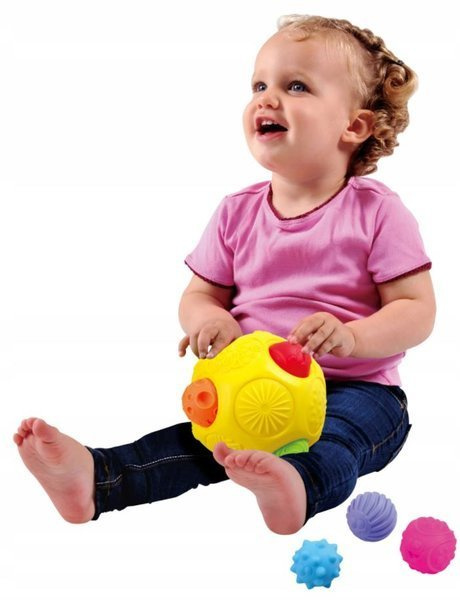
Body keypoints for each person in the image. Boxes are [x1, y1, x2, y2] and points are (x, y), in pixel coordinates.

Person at [14, 15, 436, 535]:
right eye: (259, 85)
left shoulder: (377, 211)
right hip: (254, 391)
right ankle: (99, 480)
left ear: (354, 126)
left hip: (358, 390)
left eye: (296, 86)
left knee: (340, 439)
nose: (267, 99)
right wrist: (209, 320)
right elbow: (199, 294)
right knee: (196, 444)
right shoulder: (237, 212)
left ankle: (296, 486)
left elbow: (417, 311)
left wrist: (353, 337)